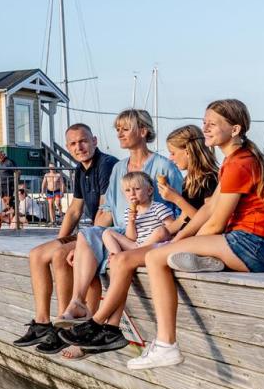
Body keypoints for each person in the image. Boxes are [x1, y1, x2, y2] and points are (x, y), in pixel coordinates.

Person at [121, 99, 264, 370]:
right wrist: (178, 239)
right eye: (204, 122)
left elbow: (215, 224)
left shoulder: (238, 163)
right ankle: (207, 261)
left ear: (234, 129)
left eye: (213, 124)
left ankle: (165, 345)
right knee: (169, 250)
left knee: (154, 259)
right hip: (262, 247)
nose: (205, 128)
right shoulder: (238, 158)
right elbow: (208, 209)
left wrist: (173, 247)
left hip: (253, 246)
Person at [56, 124, 218, 358]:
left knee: (123, 261)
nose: (170, 158)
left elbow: (201, 218)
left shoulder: (208, 179)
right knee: (119, 260)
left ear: (189, 150)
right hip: (179, 239)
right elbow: (186, 219)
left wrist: (174, 202)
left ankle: (100, 325)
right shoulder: (191, 179)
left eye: (173, 152)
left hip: (191, 242)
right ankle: (105, 328)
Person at [56, 109, 183, 333]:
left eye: (125, 129)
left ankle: (98, 328)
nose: (120, 134)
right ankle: (77, 303)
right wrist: (85, 242)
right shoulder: (118, 168)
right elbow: (106, 211)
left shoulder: (165, 167)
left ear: (143, 131)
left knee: (104, 255)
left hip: (149, 236)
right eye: (118, 130)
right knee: (86, 238)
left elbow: (173, 214)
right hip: (121, 232)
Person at [12, 123, 118, 354]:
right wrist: (59, 240)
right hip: (91, 231)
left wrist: (79, 245)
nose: (79, 147)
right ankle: (42, 323)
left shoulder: (106, 165)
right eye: (73, 143)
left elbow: (106, 212)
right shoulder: (81, 169)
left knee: (61, 255)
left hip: (107, 232)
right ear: (69, 148)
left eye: (83, 141)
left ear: (94, 141)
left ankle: (63, 324)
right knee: (38, 254)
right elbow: (73, 211)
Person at [100, 172, 175, 255]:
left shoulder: (158, 208)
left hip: (155, 245)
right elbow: (132, 238)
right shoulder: (128, 212)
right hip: (136, 246)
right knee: (107, 233)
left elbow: (171, 228)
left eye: (137, 189)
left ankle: (133, 254)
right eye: (128, 190)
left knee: (161, 231)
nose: (132, 193)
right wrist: (131, 222)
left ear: (149, 191)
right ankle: (117, 255)